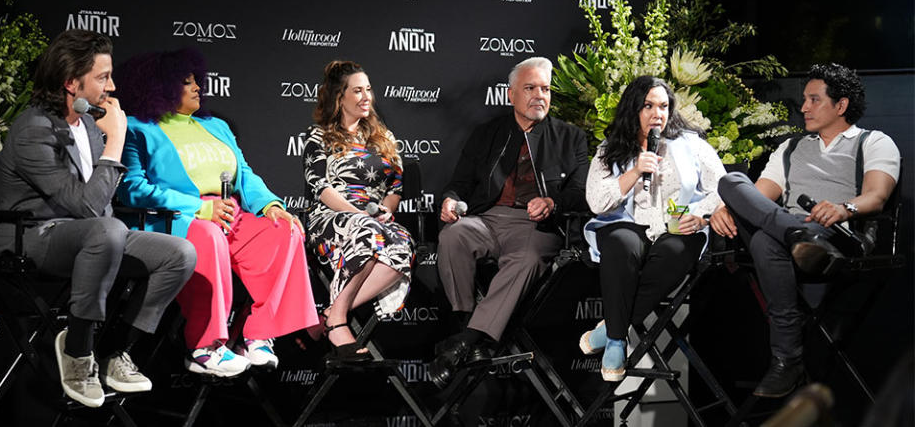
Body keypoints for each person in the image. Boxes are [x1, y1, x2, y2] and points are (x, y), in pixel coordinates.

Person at [0, 30, 197, 407]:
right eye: (102, 77)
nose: (112, 87)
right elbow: (86, 208)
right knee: (108, 229)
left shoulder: (92, 125)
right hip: (34, 237)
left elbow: (100, 212)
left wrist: (107, 139)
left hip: (97, 236)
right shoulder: (33, 130)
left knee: (179, 254)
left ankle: (114, 351)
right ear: (69, 82)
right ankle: (79, 351)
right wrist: (115, 141)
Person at [113, 49, 318, 377]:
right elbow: (132, 189)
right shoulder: (138, 128)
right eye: (186, 82)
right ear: (160, 88)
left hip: (228, 214)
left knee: (284, 230)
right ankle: (204, 347)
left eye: (197, 80)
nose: (197, 87)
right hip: (178, 219)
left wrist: (271, 205)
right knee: (208, 236)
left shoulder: (217, 126)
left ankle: (258, 334)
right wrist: (200, 208)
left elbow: (245, 174)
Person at [710, 63, 899, 397]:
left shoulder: (874, 142)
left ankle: (787, 360)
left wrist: (844, 208)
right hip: (793, 235)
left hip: (837, 238)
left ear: (840, 106)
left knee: (767, 238)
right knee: (732, 181)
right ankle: (795, 236)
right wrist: (727, 207)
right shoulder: (791, 148)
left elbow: (877, 196)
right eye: (804, 99)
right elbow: (758, 197)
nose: (803, 107)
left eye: (814, 99)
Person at [430, 56, 589, 388]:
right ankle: (469, 333)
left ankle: (462, 343)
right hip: (486, 218)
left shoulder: (570, 137)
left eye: (545, 89)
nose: (539, 96)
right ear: (510, 95)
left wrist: (552, 203)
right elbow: (459, 183)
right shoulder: (488, 133)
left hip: (536, 227)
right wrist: (448, 199)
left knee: (529, 258)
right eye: (530, 88)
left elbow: (580, 193)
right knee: (453, 236)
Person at [578, 75, 725, 381]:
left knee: (674, 251)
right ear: (633, 109)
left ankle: (611, 332)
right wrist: (635, 171)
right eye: (648, 105)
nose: (657, 113)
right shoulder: (612, 147)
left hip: (680, 225)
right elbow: (596, 201)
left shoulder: (690, 144)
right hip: (627, 223)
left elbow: (722, 187)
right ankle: (618, 341)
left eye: (663, 106)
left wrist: (699, 215)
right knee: (621, 244)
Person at [303, 60, 414, 361]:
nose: (366, 97)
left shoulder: (384, 138)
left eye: (368, 89)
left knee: (403, 245)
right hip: (331, 217)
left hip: (374, 218)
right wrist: (357, 213)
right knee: (368, 233)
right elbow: (320, 187)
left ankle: (329, 313)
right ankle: (338, 325)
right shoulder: (319, 136)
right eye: (357, 91)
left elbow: (395, 189)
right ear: (340, 98)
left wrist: (387, 212)